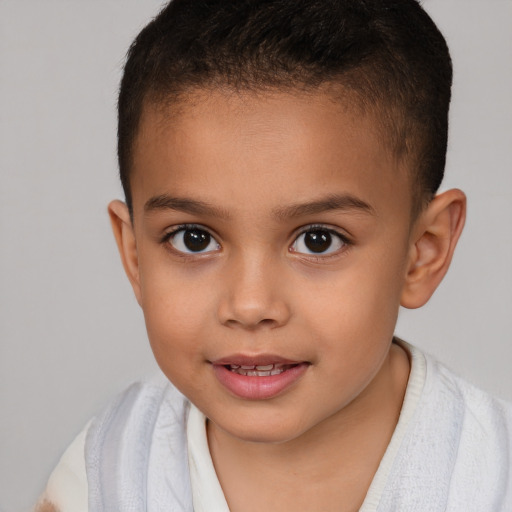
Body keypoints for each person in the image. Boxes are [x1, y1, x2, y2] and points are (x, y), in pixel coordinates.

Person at [35, 0, 512, 510]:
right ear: (134, 256)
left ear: (423, 253)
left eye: (318, 240)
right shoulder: (104, 472)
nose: (250, 304)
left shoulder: (493, 480)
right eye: (194, 238)